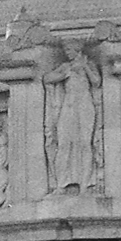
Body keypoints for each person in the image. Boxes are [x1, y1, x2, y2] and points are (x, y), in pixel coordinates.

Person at [44, 40, 102, 194]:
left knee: (85, 144)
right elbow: (47, 78)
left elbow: (96, 82)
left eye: (69, 50)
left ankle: (85, 185)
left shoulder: (89, 64)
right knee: (63, 144)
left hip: (84, 105)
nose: (67, 53)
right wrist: (65, 75)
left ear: (77, 50)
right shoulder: (66, 67)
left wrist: (85, 68)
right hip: (68, 105)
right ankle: (61, 185)